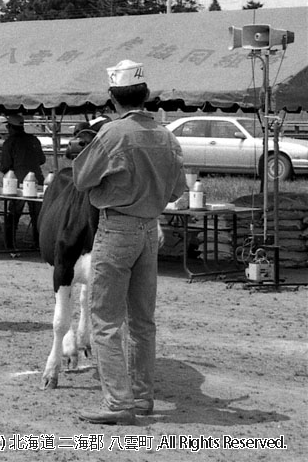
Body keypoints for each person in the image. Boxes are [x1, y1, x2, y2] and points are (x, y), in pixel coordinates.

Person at [72, 60, 187, 425]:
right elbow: (178, 189)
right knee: (142, 320)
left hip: (117, 227)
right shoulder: (166, 136)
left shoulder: (112, 134)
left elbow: (81, 178)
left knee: (105, 320)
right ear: (146, 95)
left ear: (112, 97)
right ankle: (141, 396)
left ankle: (118, 402)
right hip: (149, 228)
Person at [0, 114, 46, 248]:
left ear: (11, 127)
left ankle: (10, 244)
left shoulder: (10, 142)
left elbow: (5, 165)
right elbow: (42, 160)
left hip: (17, 182)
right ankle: (39, 243)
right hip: (37, 179)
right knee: (38, 215)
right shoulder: (34, 139)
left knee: (13, 214)